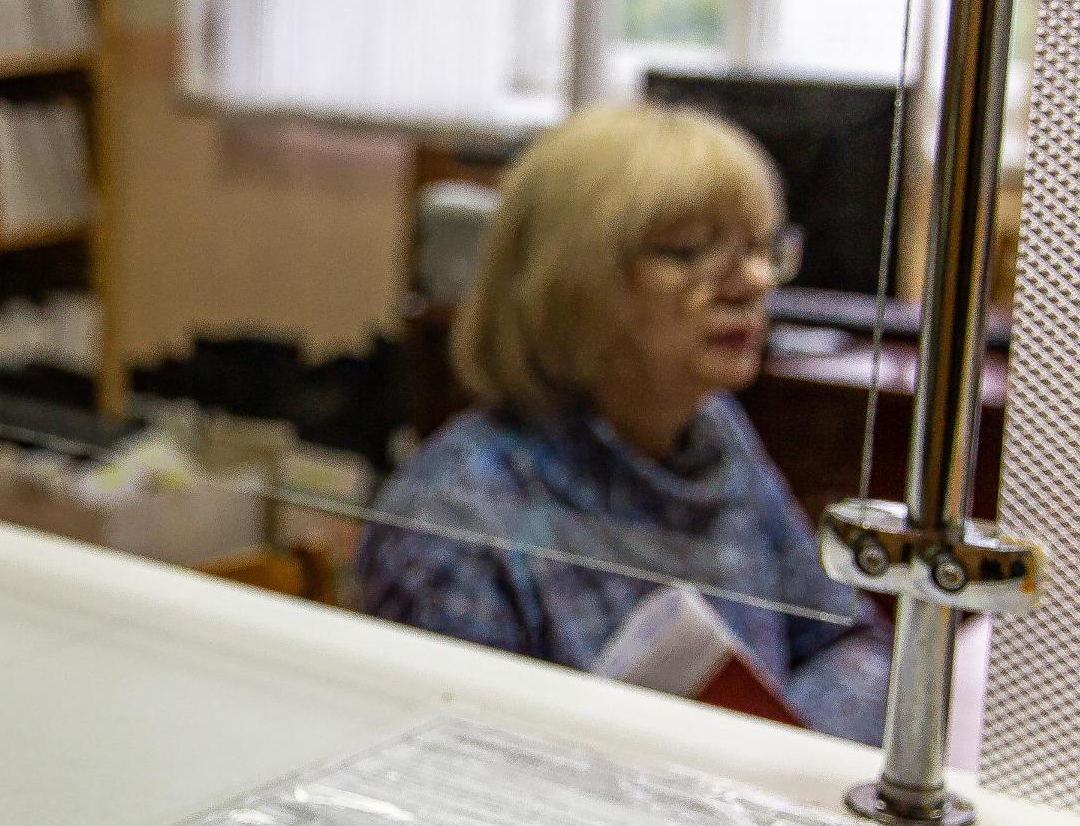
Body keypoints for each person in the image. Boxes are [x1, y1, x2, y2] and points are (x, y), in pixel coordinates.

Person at [355, 102, 889, 741]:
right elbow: (466, 789)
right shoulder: (453, 515)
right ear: (568, 280)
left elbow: (848, 644)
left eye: (761, 247)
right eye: (689, 252)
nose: (751, 280)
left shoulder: (711, 430)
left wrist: (773, 753)